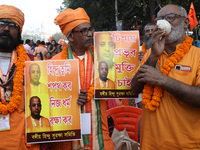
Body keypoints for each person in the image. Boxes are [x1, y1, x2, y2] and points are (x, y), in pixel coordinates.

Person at [131, 4, 200, 149]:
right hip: (150, 144)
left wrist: (162, 80)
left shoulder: (197, 55)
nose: (165, 23)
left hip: (187, 145)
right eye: (160, 19)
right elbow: (133, 89)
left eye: (170, 17)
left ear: (186, 22)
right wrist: (153, 57)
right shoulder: (151, 54)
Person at [52, 7, 114, 150]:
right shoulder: (55, 63)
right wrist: (71, 98)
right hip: (67, 138)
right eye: (83, 31)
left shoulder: (104, 59)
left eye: (90, 29)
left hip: (99, 134)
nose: (89, 34)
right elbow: (49, 99)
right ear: (71, 37)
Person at [0, 4, 41, 149]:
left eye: (12, 25)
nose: (6, 28)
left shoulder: (33, 64)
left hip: (23, 144)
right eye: (1, 23)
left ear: (19, 32)